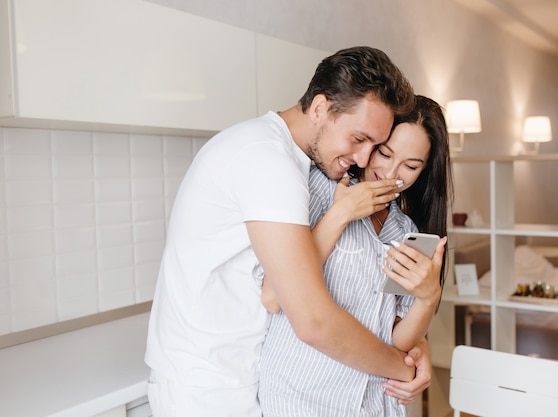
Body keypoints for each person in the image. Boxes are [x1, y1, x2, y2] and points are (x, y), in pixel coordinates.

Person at [145, 46, 433, 417]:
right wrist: (402, 368)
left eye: (374, 146)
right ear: (319, 109)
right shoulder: (269, 162)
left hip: (236, 373)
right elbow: (312, 319)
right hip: (208, 384)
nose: (364, 160)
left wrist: (418, 337)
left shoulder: (285, 158)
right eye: (359, 139)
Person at [258, 95, 451, 416]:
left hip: (374, 401)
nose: (391, 172)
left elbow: (396, 338)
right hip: (302, 399)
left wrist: (429, 298)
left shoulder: (406, 230)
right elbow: (273, 296)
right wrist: (341, 213)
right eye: (384, 153)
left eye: (411, 165)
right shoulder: (319, 188)